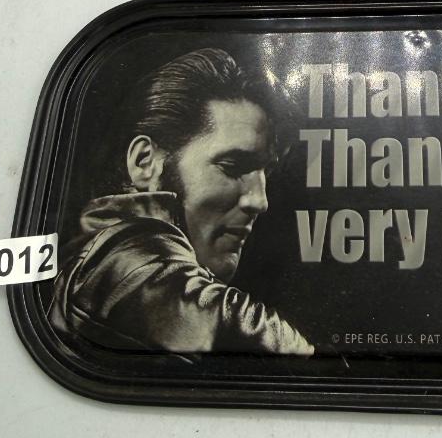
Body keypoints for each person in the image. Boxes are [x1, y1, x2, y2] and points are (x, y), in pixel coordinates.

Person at [49, 48, 313, 356]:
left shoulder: (99, 253)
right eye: (233, 166)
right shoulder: (125, 260)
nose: (260, 201)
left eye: (265, 173)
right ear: (145, 162)